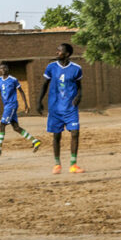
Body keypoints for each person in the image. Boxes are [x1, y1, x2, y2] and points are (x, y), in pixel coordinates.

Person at [38, 43, 84, 174]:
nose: (57, 52)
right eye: (57, 50)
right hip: (55, 109)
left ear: (67, 54)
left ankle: (73, 164)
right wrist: (39, 101)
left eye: (60, 51)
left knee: (75, 133)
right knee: (56, 136)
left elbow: (79, 86)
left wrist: (79, 96)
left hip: (70, 108)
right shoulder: (51, 67)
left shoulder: (76, 69)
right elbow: (44, 85)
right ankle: (57, 164)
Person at [0, 62, 41, 156]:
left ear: (8, 69)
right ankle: (35, 141)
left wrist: (26, 105)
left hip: (12, 105)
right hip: (6, 105)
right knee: (16, 127)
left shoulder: (13, 80)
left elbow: (21, 91)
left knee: (2, 125)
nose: (2, 70)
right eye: (1, 68)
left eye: (4, 68)